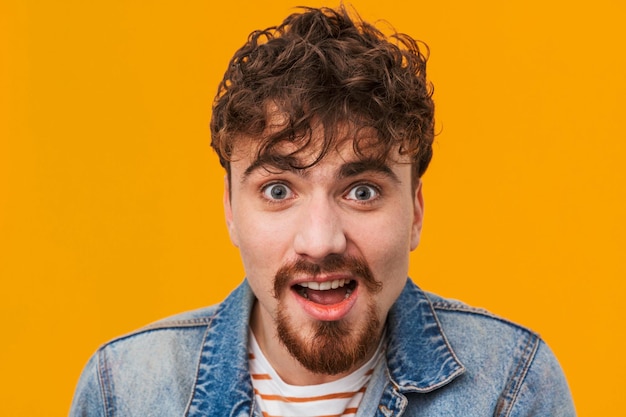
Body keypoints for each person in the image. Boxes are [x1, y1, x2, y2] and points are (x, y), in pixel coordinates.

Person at [70, 6, 575, 416]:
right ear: (230, 211)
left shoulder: (513, 387)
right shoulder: (124, 392)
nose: (320, 240)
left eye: (361, 191)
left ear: (416, 212)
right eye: (278, 190)